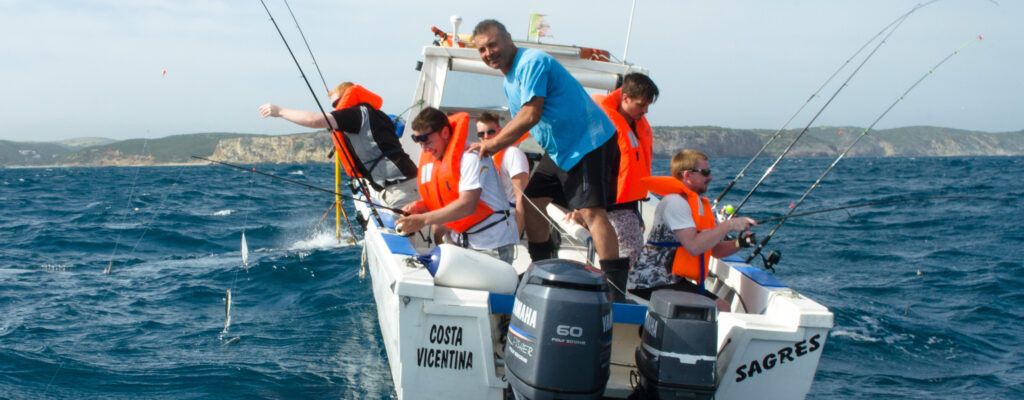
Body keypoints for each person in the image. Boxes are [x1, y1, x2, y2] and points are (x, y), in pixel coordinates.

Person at [469, 19, 629, 298]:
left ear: (508, 38)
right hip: (559, 150)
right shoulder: (509, 81)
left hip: (588, 141)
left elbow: (531, 114)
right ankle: (541, 269)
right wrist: (485, 151)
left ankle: (614, 289)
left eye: (493, 44)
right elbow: (523, 123)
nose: (488, 52)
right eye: (482, 49)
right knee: (531, 204)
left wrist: (493, 144)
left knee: (592, 212)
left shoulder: (532, 62)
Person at [258, 82, 418, 208]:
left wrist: (280, 112)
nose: (336, 109)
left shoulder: (357, 114)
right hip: (408, 183)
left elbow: (315, 120)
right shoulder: (377, 115)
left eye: (337, 103)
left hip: (400, 190)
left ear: (348, 95)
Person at [628, 150, 757, 302]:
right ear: (687, 175)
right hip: (650, 283)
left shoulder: (693, 204)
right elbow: (694, 246)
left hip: (672, 281)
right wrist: (730, 224)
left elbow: (712, 249)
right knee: (720, 306)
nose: (710, 177)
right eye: (705, 172)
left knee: (721, 305)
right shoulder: (675, 203)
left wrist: (739, 243)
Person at [397, 107, 518, 264]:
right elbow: (447, 199)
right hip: (461, 244)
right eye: (419, 141)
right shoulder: (435, 160)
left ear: (445, 133)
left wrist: (423, 220)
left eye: (427, 141)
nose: (424, 148)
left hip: (491, 247)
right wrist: (419, 207)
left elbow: (468, 204)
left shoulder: (471, 157)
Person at [592, 73, 658, 270]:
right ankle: (618, 294)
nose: (645, 111)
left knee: (632, 258)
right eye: (641, 104)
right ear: (625, 98)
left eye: (648, 106)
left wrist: (636, 213)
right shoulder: (602, 125)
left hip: (627, 206)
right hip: (607, 207)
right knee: (627, 260)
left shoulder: (637, 126)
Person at [476, 111, 529, 238]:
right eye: (481, 134)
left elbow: (522, 199)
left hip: (506, 225)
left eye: (490, 132)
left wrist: (515, 237)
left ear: (499, 131)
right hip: (487, 223)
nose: (486, 137)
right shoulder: (484, 159)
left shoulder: (512, 154)